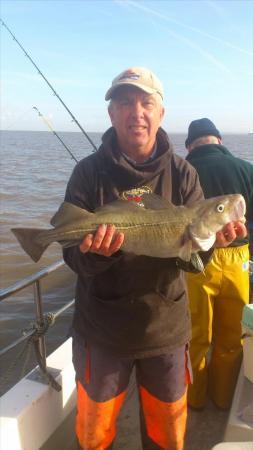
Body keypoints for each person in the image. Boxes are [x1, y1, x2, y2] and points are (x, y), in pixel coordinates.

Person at [62, 69, 246, 450]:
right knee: (94, 435)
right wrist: (94, 255)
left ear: (162, 113)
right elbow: (72, 257)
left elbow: (192, 263)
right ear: (111, 114)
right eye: (125, 103)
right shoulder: (87, 173)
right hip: (102, 330)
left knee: (167, 435)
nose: (137, 112)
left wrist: (209, 245)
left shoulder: (183, 173)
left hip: (164, 330)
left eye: (147, 103)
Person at [185, 118, 253, 411]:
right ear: (219, 141)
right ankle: (223, 398)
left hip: (197, 260)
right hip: (239, 260)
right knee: (230, 337)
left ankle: (194, 398)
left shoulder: (182, 171)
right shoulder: (247, 169)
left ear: (190, 145)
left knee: (196, 336)